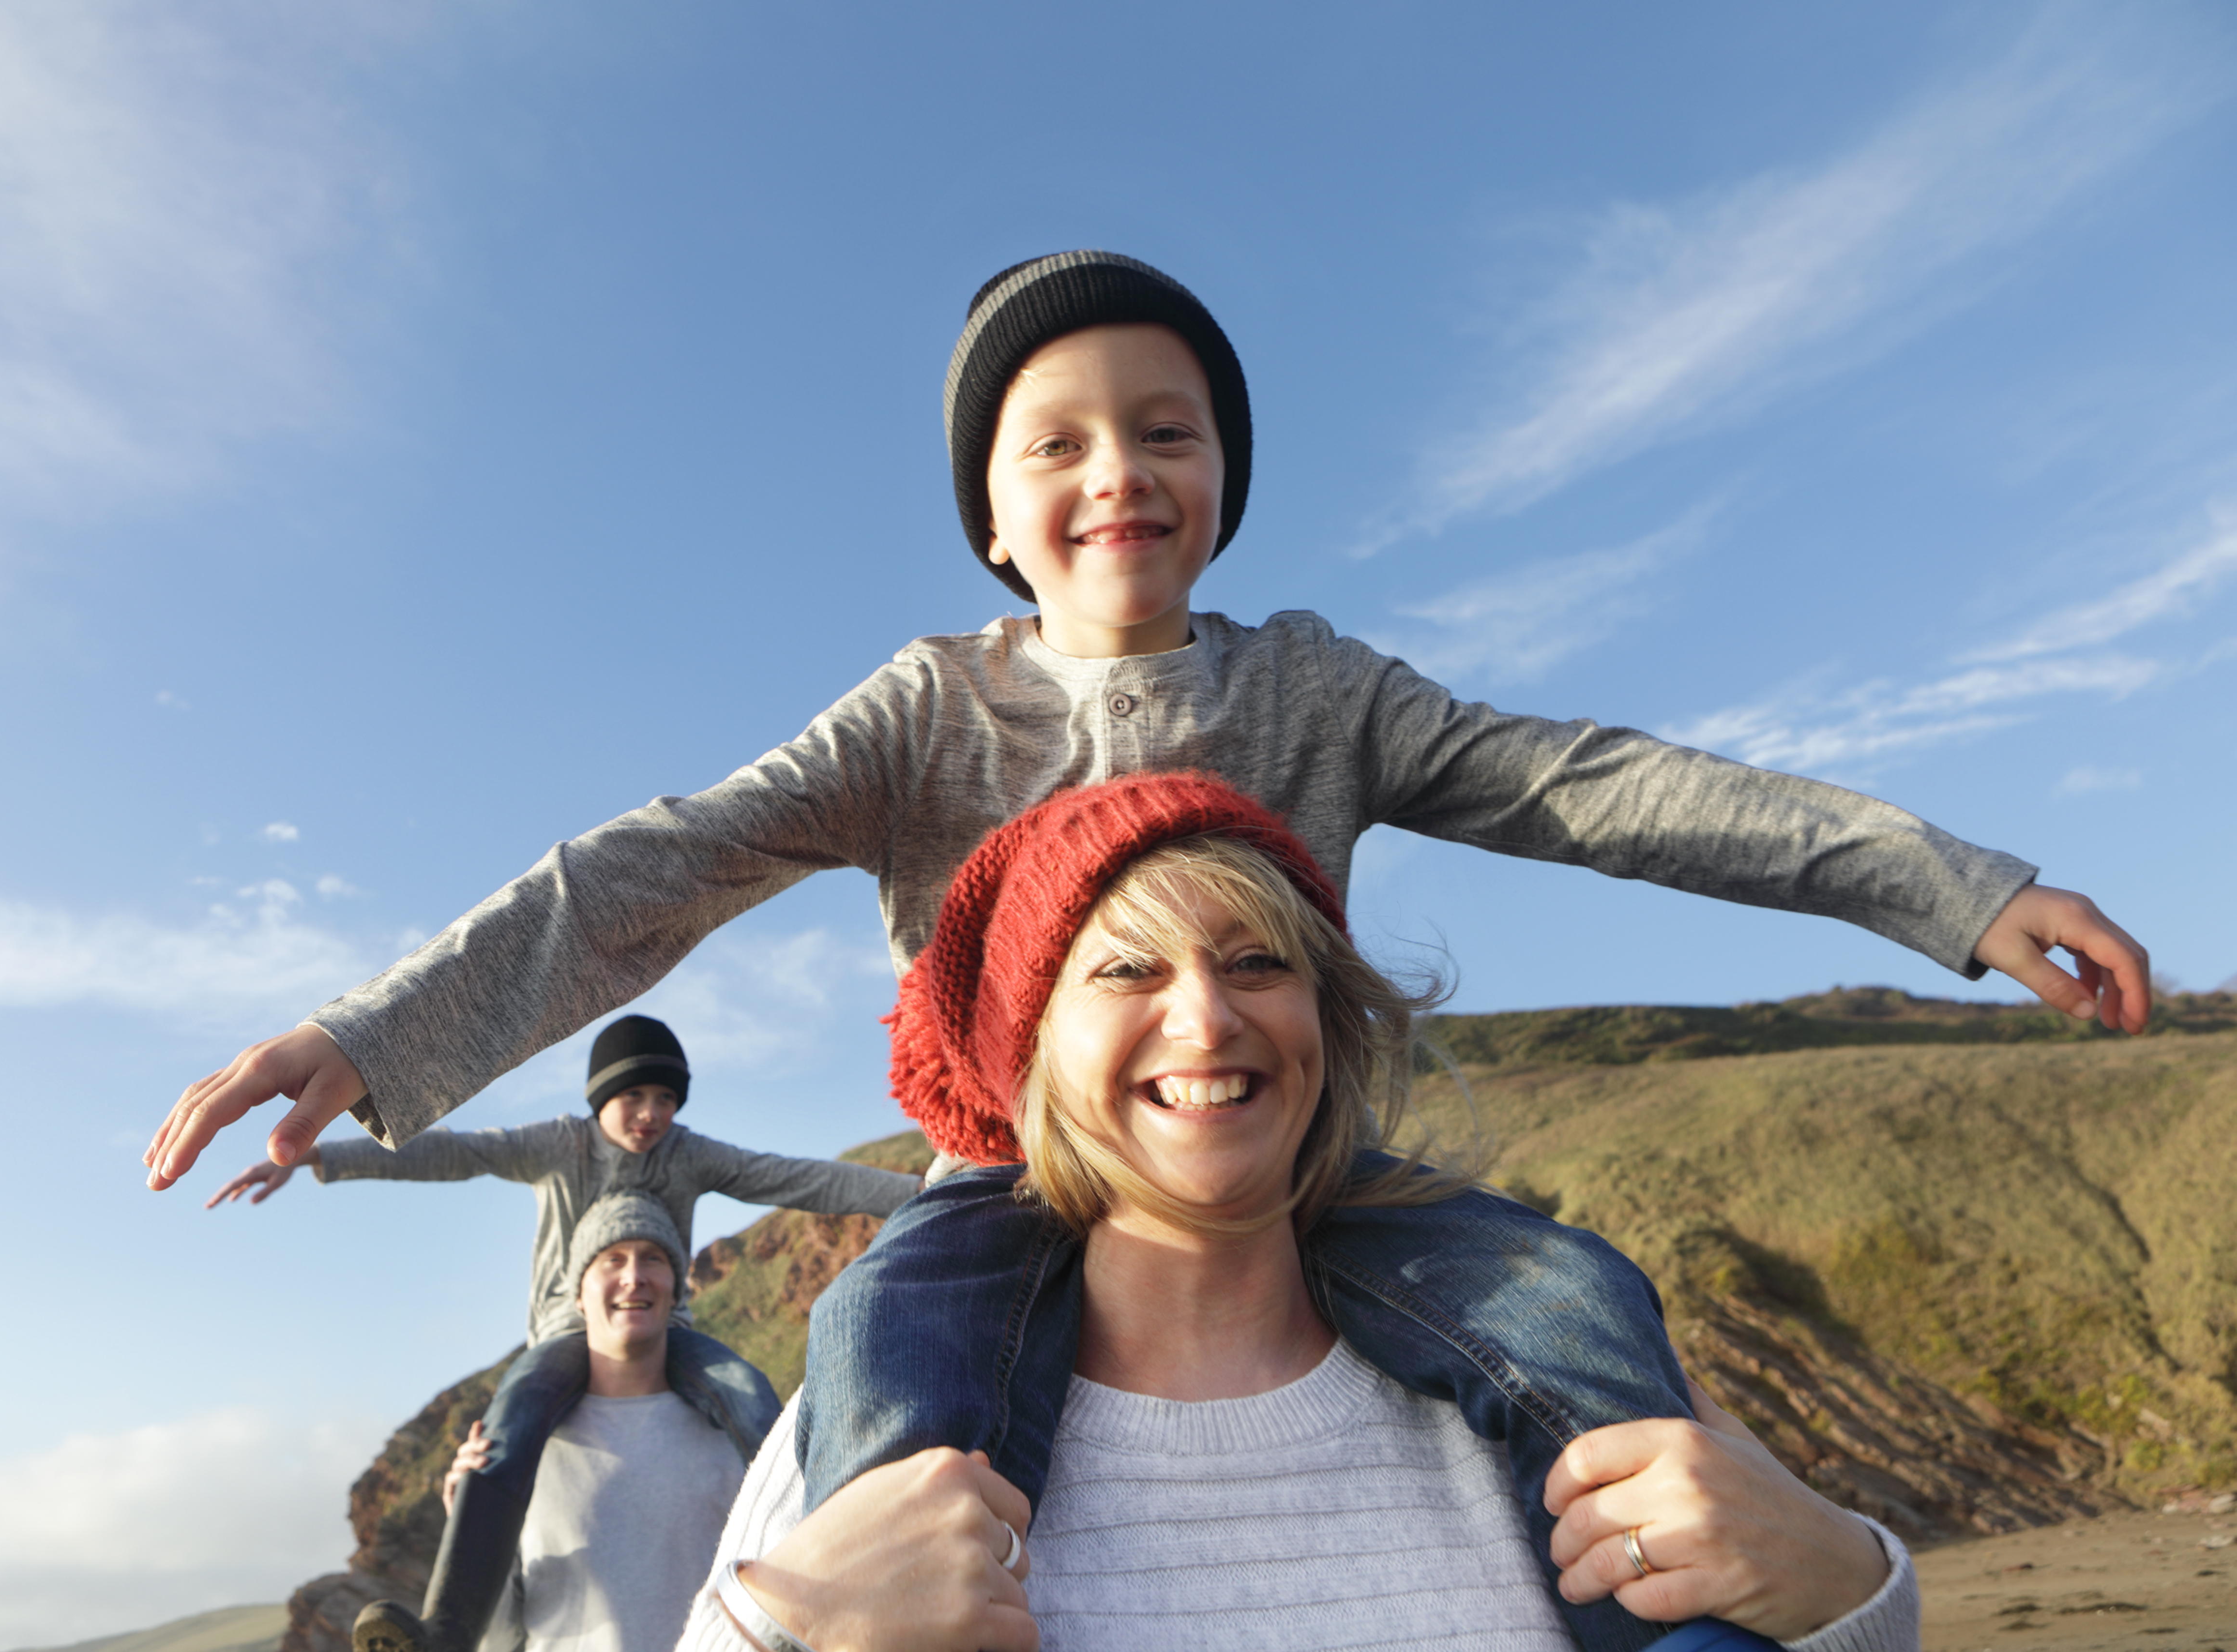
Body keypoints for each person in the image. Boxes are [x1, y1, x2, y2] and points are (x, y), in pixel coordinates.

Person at [144, 248, 2117, 1637]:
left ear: (1224, 478)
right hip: (1011, 1186)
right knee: (873, 1355)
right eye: (1055, 442)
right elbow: (649, 869)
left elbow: (1590, 781)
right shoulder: (923, 712)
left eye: (1162, 430)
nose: (1115, 472)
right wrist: (377, 1036)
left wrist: (1945, 887)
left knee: (1570, 1299)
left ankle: (1665, 1620)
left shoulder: (1319, 691)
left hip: (1305, 1177)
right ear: (992, 515)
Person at [680, 773, 1917, 1652]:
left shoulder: (1557, 1379)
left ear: (1324, 1019)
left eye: (1258, 961)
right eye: (1125, 968)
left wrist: (1853, 1596)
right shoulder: (860, 1427)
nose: (1208, 1018)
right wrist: (779, 1636)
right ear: (1028, 1055)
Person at [207, 1014, 918, 1652]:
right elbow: (458, 1153)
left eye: (666, 1100)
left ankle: (830, 1575)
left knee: (751, 1396)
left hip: (666, 1327)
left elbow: (794, 1179)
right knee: (504, 1438)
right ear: (599, 1096)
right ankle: (446, 1631)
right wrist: (322, 1158)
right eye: (634, 1097)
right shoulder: (558, 1145)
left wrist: (921, 1193)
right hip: (561, 1334)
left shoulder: (690, 1154)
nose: (650, 1115)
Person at [404, 1193, 764, 1652]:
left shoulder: (732, 1437)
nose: (633, 1277)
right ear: (578, 1294)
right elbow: (499, 1638)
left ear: (676, 1290)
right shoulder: (521, 1450)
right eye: (612, 1261)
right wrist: (468, 1519)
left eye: (652, 1259)